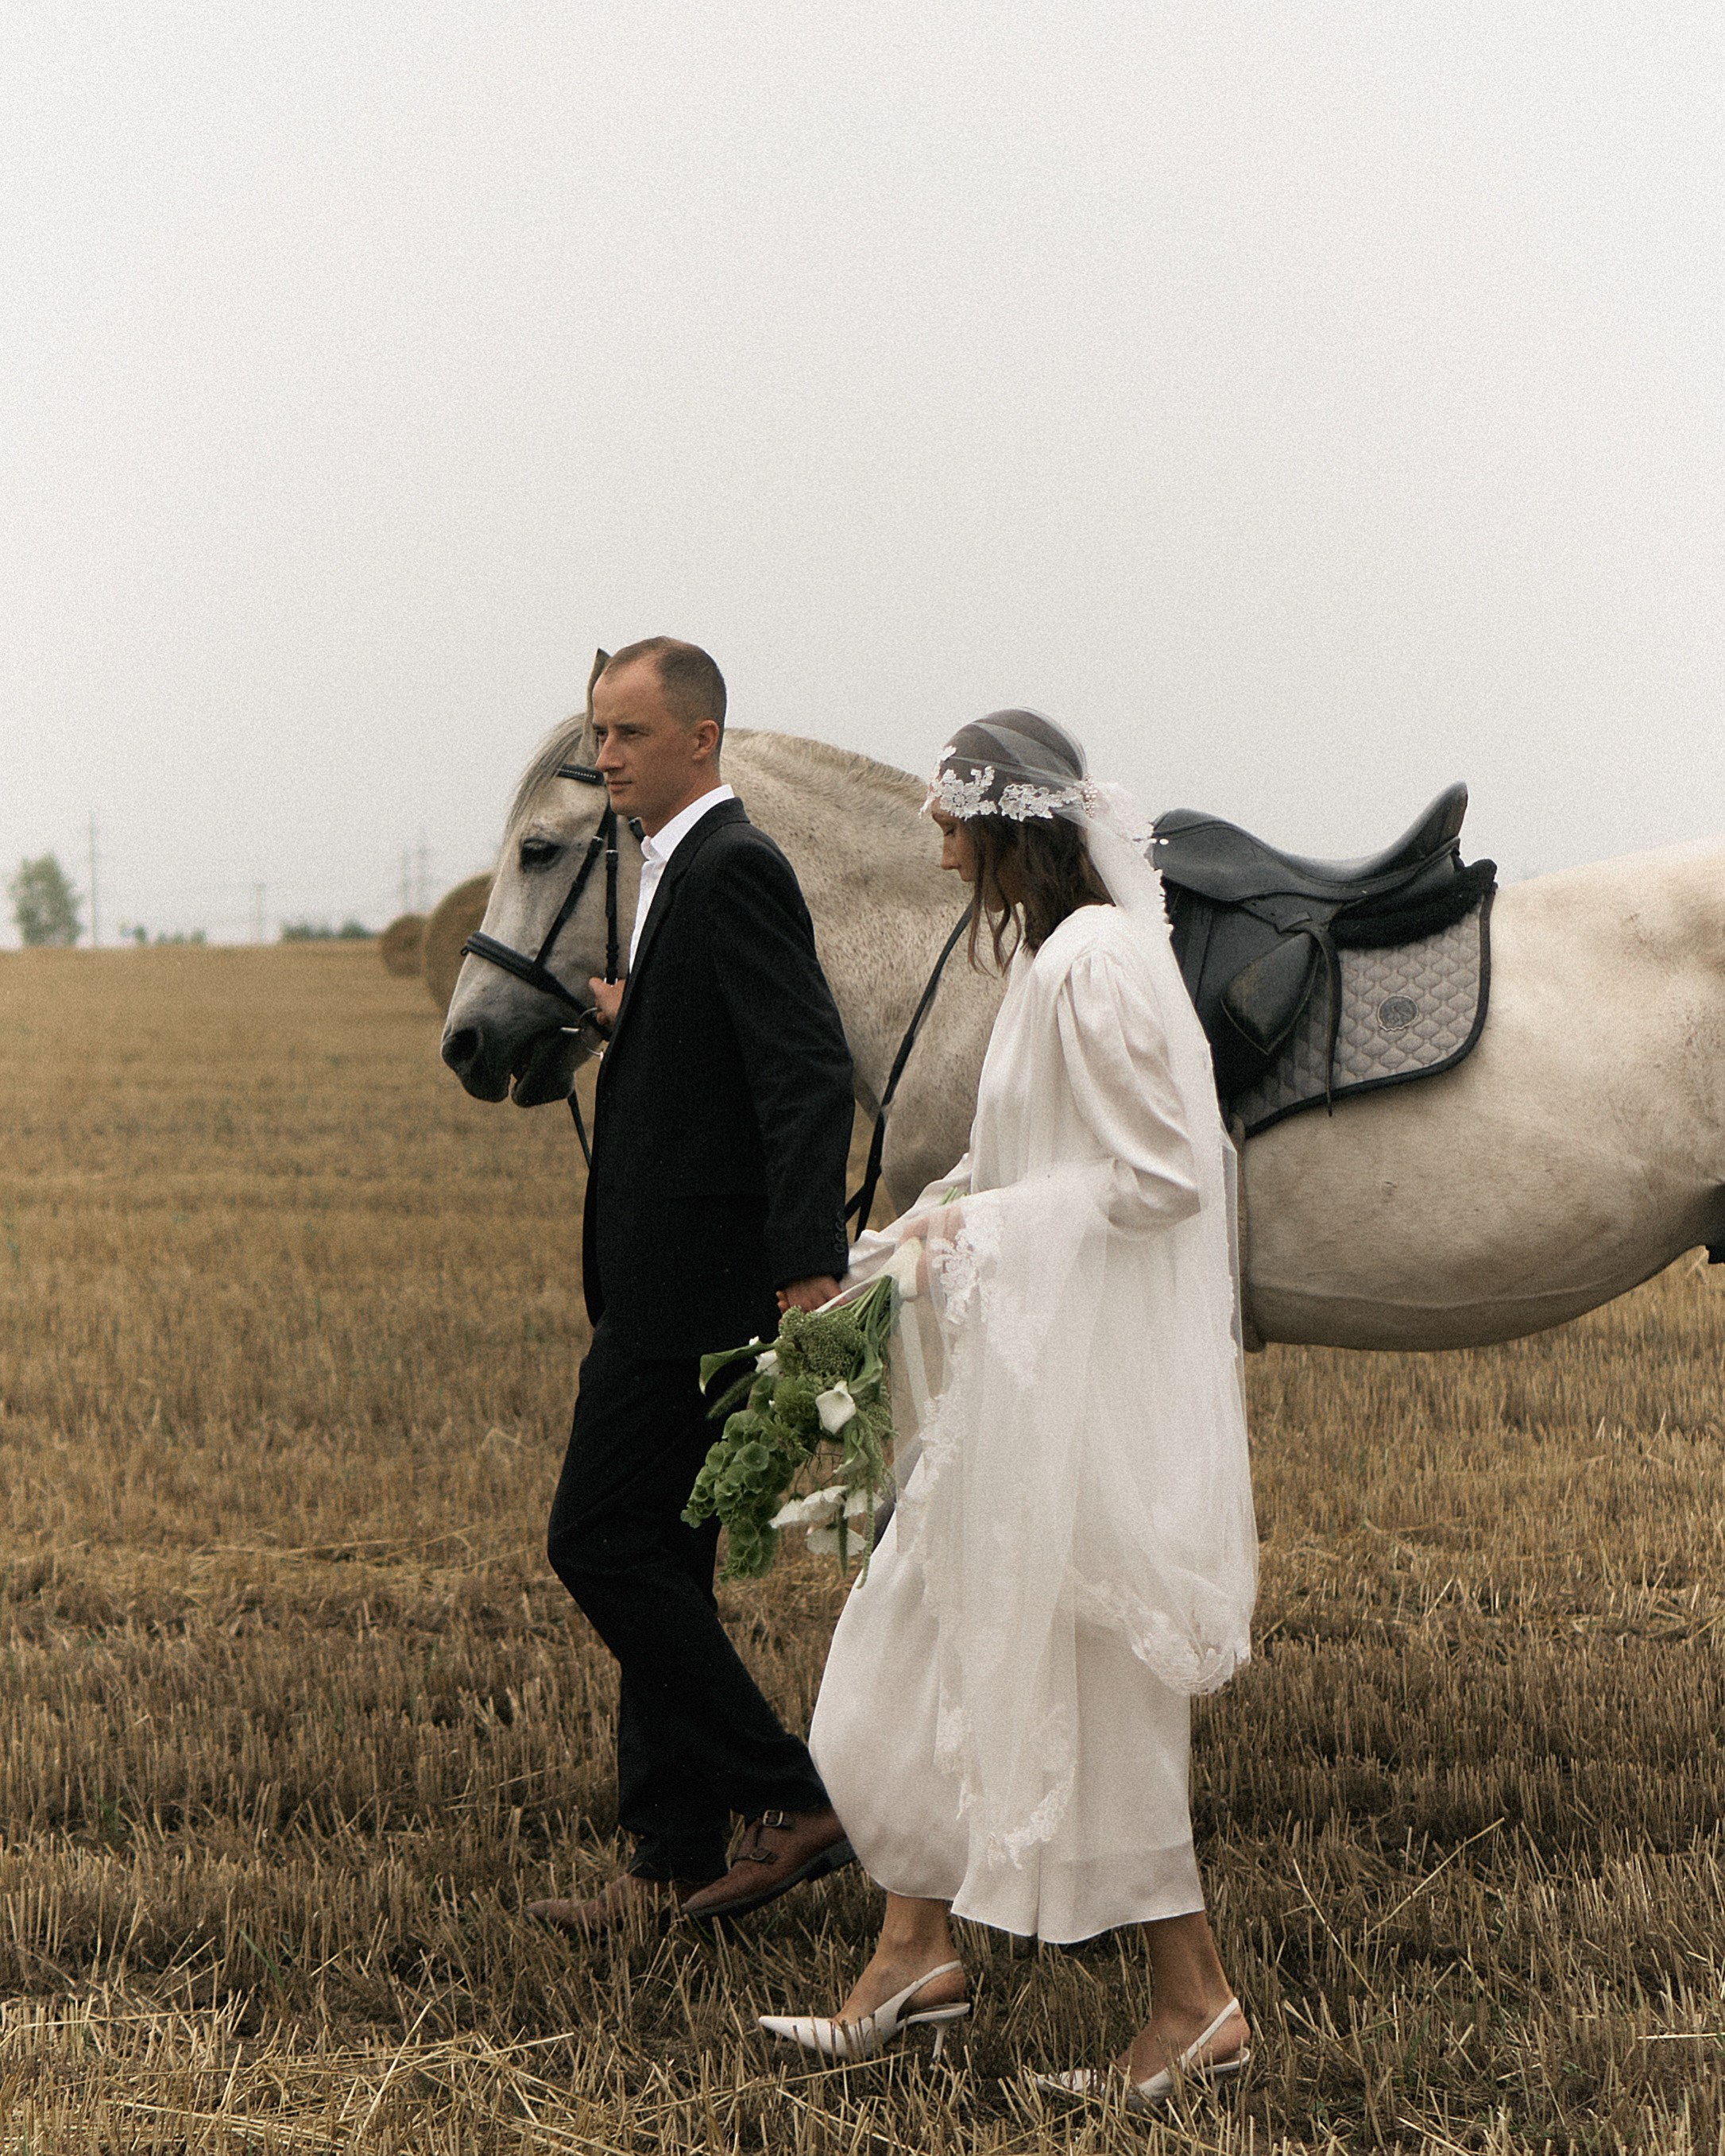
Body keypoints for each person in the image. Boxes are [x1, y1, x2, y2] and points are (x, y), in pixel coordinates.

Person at [756, 711, 1260, 2112]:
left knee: (1073, 1696)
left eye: (948, 810)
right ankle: (911, 1955)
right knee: (915, 1657)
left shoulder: (1094, 962)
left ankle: (1194, 1999)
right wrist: (896, 1248)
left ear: (1005, 820)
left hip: (1065, 1404)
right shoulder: (1053, 957)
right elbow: (1007, 1154)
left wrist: (984, 1238)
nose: (932, 834)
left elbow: (1164, 1175)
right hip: (1018, 1383)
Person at [525, 636, 857, 1933]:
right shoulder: (681, 868)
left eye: (625, 734)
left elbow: (808, 1069)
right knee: (660, 1554)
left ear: (701, 739)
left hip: (698, 1295)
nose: (602, 756)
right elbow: (728, 1047)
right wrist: (638, 1019)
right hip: (662, 1281)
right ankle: (667, 1858)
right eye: (596, 736)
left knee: (597, 1539)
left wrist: (804, 1269)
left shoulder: (733, 867)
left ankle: (790, 1792)